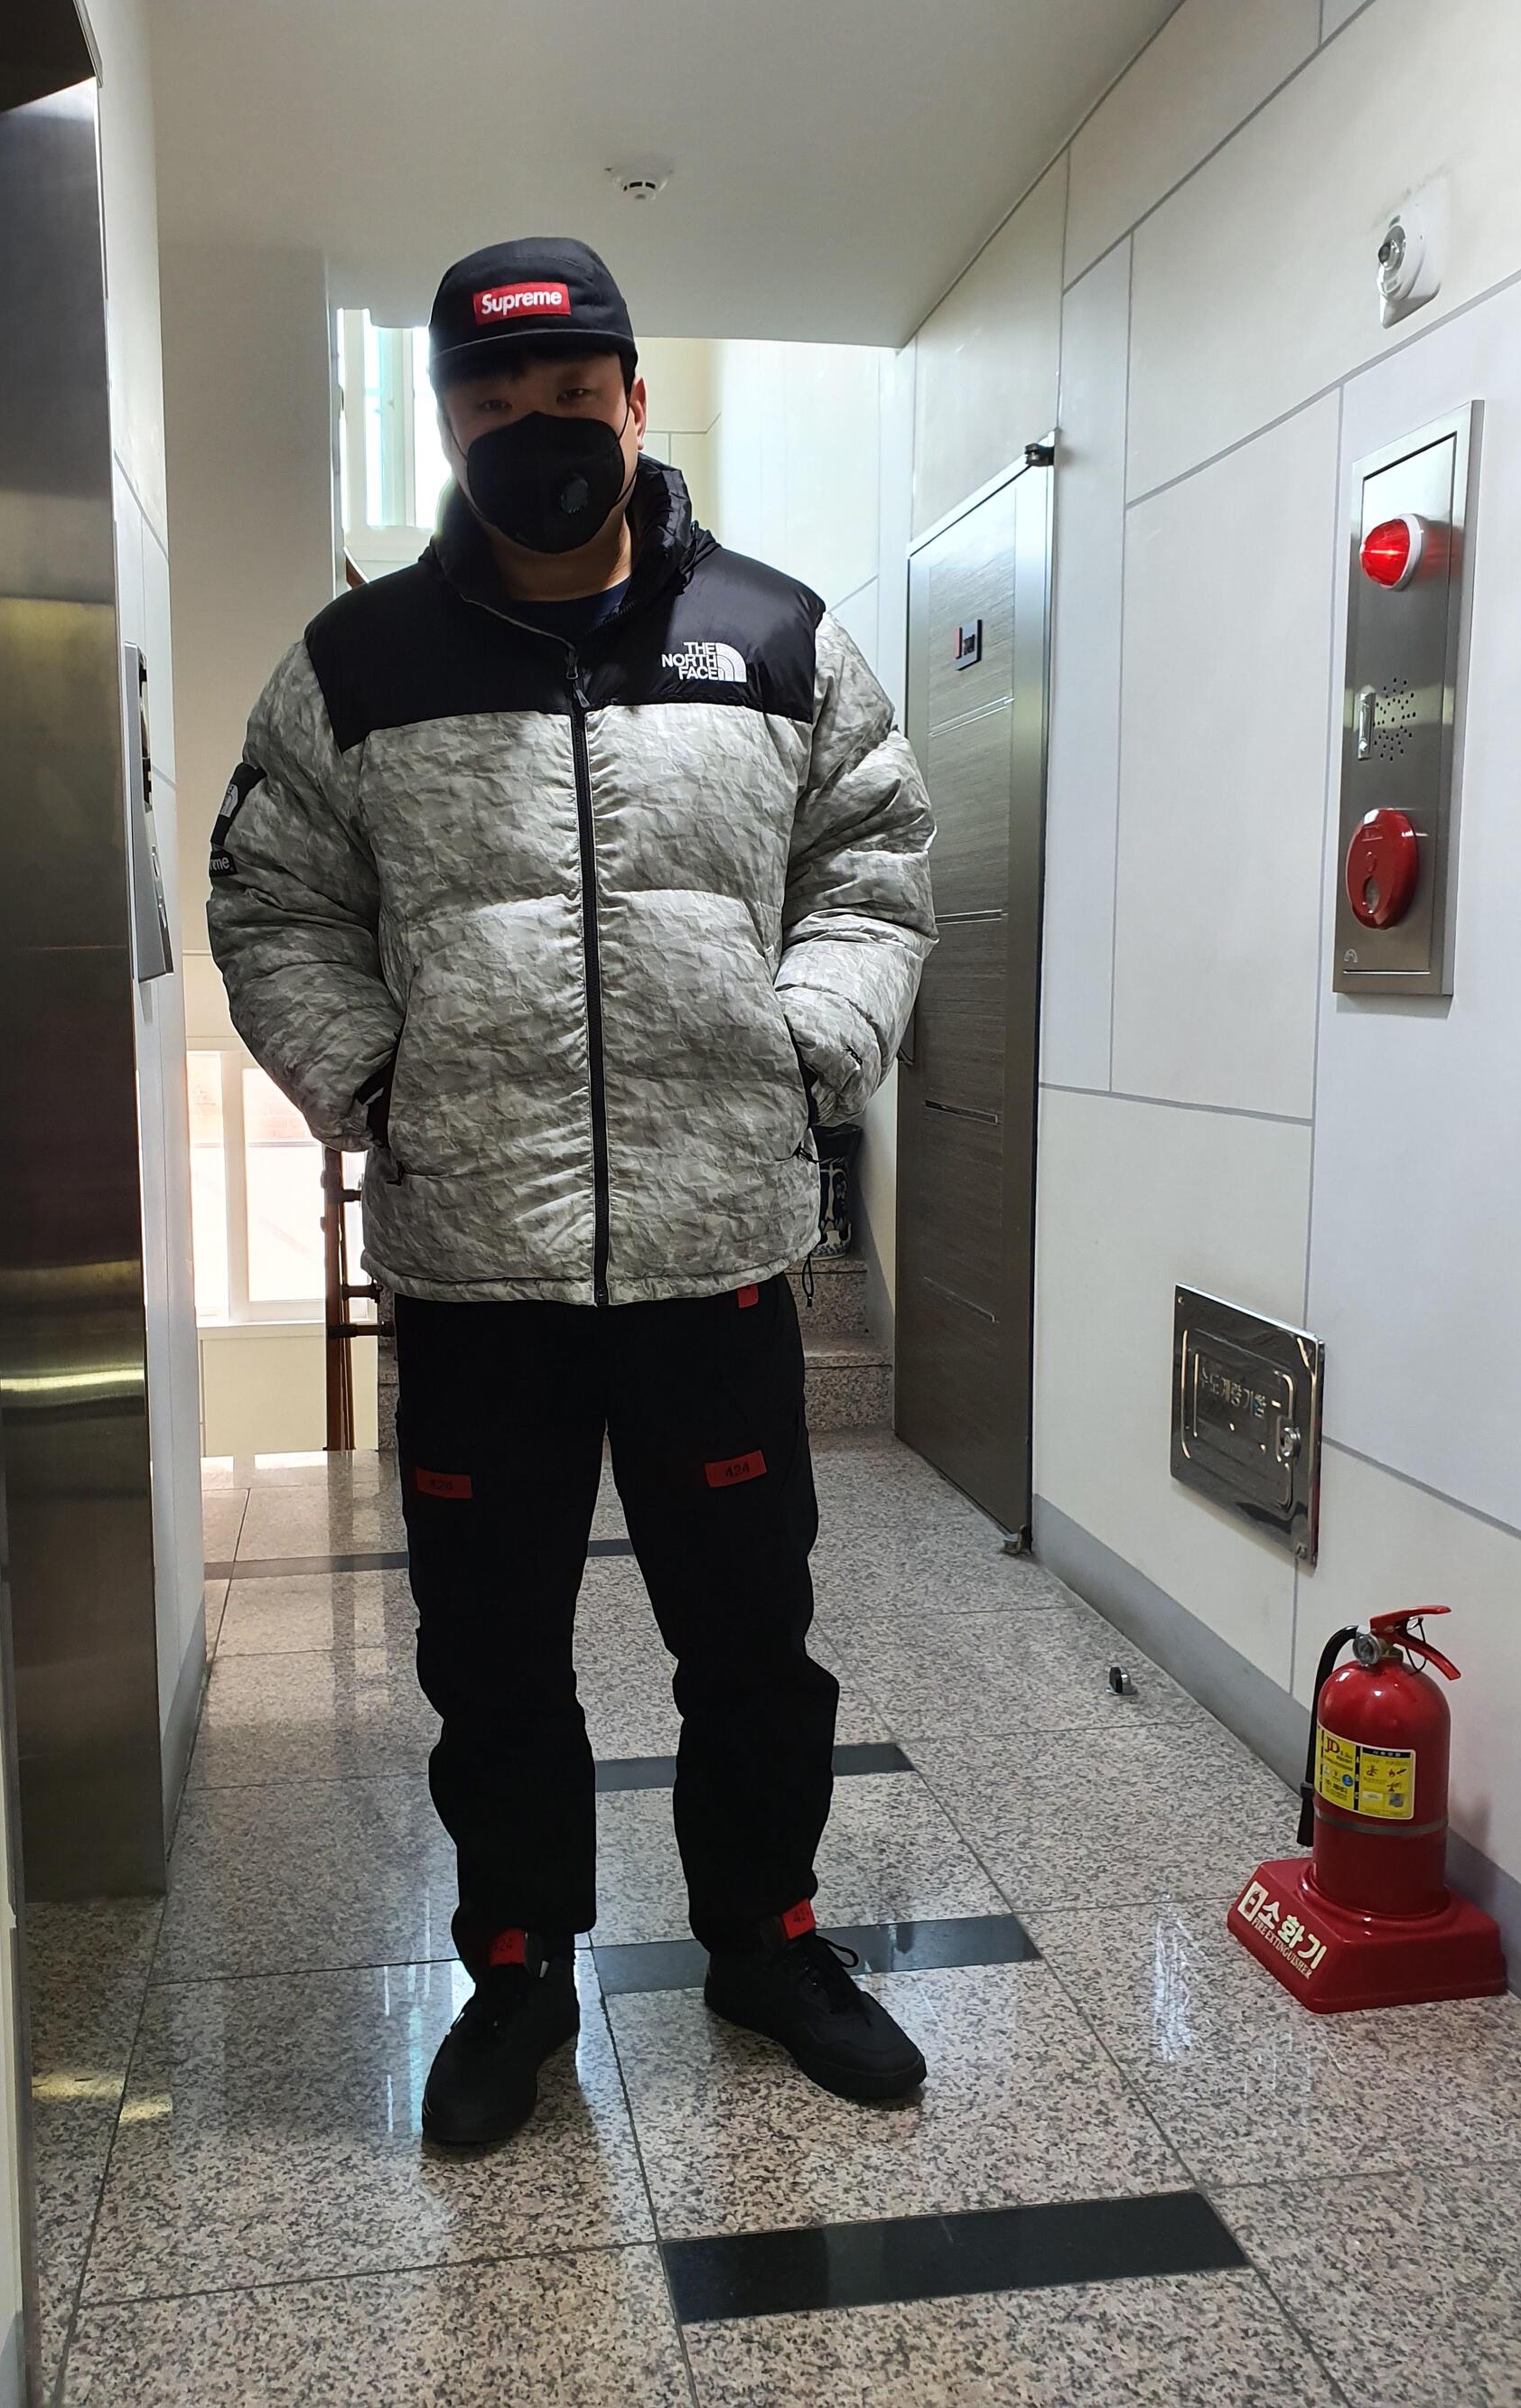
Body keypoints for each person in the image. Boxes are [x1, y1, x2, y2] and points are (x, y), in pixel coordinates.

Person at [208, 237, 938, 2147]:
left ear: (631, 398)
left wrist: (804, 1048)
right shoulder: (358, 666)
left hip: (712, 1260)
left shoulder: (776, 639)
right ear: (447, 418)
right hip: (478, 1272)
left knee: (750, 1643)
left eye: (568, 394)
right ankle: (517, 1969)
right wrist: (375, 1081)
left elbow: (873, 863)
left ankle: (767, 1941)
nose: (532, 430)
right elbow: (274, 901)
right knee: (492, 1658)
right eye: (490, 400)